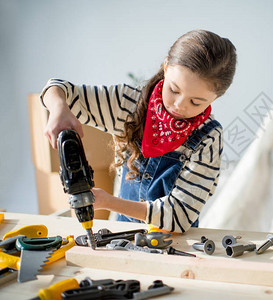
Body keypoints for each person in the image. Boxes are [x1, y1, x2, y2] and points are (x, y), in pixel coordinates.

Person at [40, 29, 237, 233]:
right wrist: (58, 109)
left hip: (175, 247)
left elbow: (179, 217)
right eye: (174, 90)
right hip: (121, 237)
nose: (179, 105)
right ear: (166, 67)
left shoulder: (209, 138)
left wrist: (109, 202)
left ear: (216, 97)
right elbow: (57, 87)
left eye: (196, 102)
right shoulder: (129, 104)